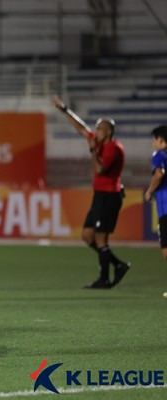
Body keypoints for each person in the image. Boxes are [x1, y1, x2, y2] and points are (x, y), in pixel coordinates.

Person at [53, 97, 130, 289]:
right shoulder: (98, 141)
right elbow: (80, 127)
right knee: (87, 236)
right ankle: (118, 264)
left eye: (101, 129)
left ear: (109, 131)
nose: (96, 132)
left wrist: (93, 150)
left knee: (101, 238)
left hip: (110, 196)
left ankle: (104, 279)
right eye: (96, 128)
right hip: (100, 196)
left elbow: (99, 169)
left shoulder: (114, 148)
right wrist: (64, 110)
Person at [144, 125, 167, 299]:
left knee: (166, 249)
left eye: (155, 140)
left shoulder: (159, 155)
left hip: (165, 206)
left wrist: (150, 191)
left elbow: (158, 174)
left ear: (161, 140)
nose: (154, 144)